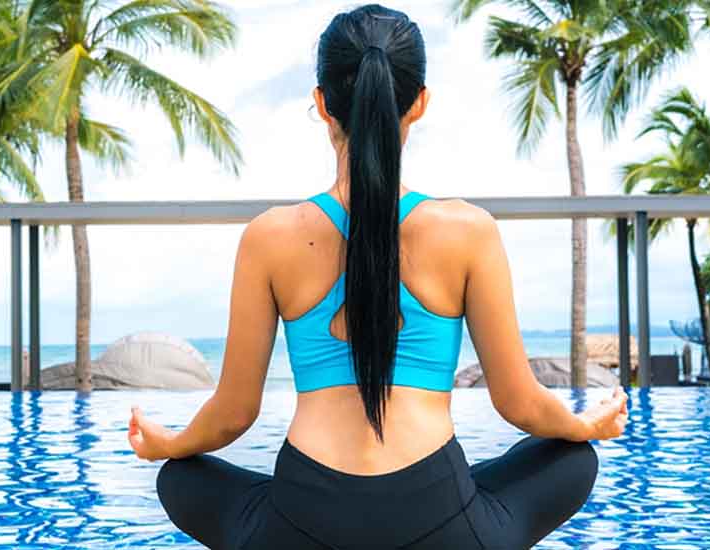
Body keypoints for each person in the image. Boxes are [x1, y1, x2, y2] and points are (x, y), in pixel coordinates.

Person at [126, 5, 629, 549]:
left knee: (181, 477)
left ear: (322, 105)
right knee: (569, 459)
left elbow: (232, 416)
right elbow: (519, 405)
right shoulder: (468, 230)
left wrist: (169, 444)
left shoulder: (268, 237)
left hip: (300, 523)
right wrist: (583, 427)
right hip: (442, 521)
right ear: (419, 103)